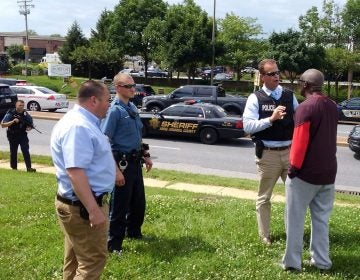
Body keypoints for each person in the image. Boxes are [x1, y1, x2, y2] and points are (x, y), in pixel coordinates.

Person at [51, 80, 122, 280]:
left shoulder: (85, 122)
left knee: (74, 259)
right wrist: (93, 210)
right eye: (108, 100)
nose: (110, 104)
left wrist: (113, 172)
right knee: (92, 261)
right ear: (93, 100)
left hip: (78, 205)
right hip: (82, 208)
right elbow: (75, 172)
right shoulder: (78, 127)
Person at [282, 69, 338, 272]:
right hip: (328, 173)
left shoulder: (306, 108)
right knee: (321, 220)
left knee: (294, 220)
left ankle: (292, 263)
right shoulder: (332, 106)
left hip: (305, 174)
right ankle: (323, 262)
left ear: (305, 85)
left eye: (299, 82)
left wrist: (293, 170)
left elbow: (299, 142)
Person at [242, 59, 299, 245]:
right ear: (262, 77)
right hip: (268, 154)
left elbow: (299, 120)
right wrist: (271, 119)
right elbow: (248, 126)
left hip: (290, 152)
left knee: (295, 195)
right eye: (272, 74)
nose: (277, 76)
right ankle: (265, 235)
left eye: (277, 72)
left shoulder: (289, 95)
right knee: (264, 197)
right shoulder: (255, 98)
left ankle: (293, 234)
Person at [101, 73, 153, 254]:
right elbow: (104, 142)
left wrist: (145, 154)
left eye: (134, 85)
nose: (133, 89)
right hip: (121, 164)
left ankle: (134, 232)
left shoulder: (131, 107)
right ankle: (113, 244)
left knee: (138, 202)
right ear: (118, 88)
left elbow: (137, 136)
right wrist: (115, 171)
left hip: (135, 161)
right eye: (129, 86)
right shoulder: (114, 110)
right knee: (119, 206)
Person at [1, 100, 36, 172]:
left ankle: (29, 168)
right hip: (13, 135)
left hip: (22, 135)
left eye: (23, 105)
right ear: (16, 105)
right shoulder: (11, 113)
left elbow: (30, 124)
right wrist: (13, 121)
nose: (21, 107)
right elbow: (3, 125)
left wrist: (29, 128)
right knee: (13, 151)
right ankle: (14, 168)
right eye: (20, 105)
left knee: (25, 150)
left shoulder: (25, 114)